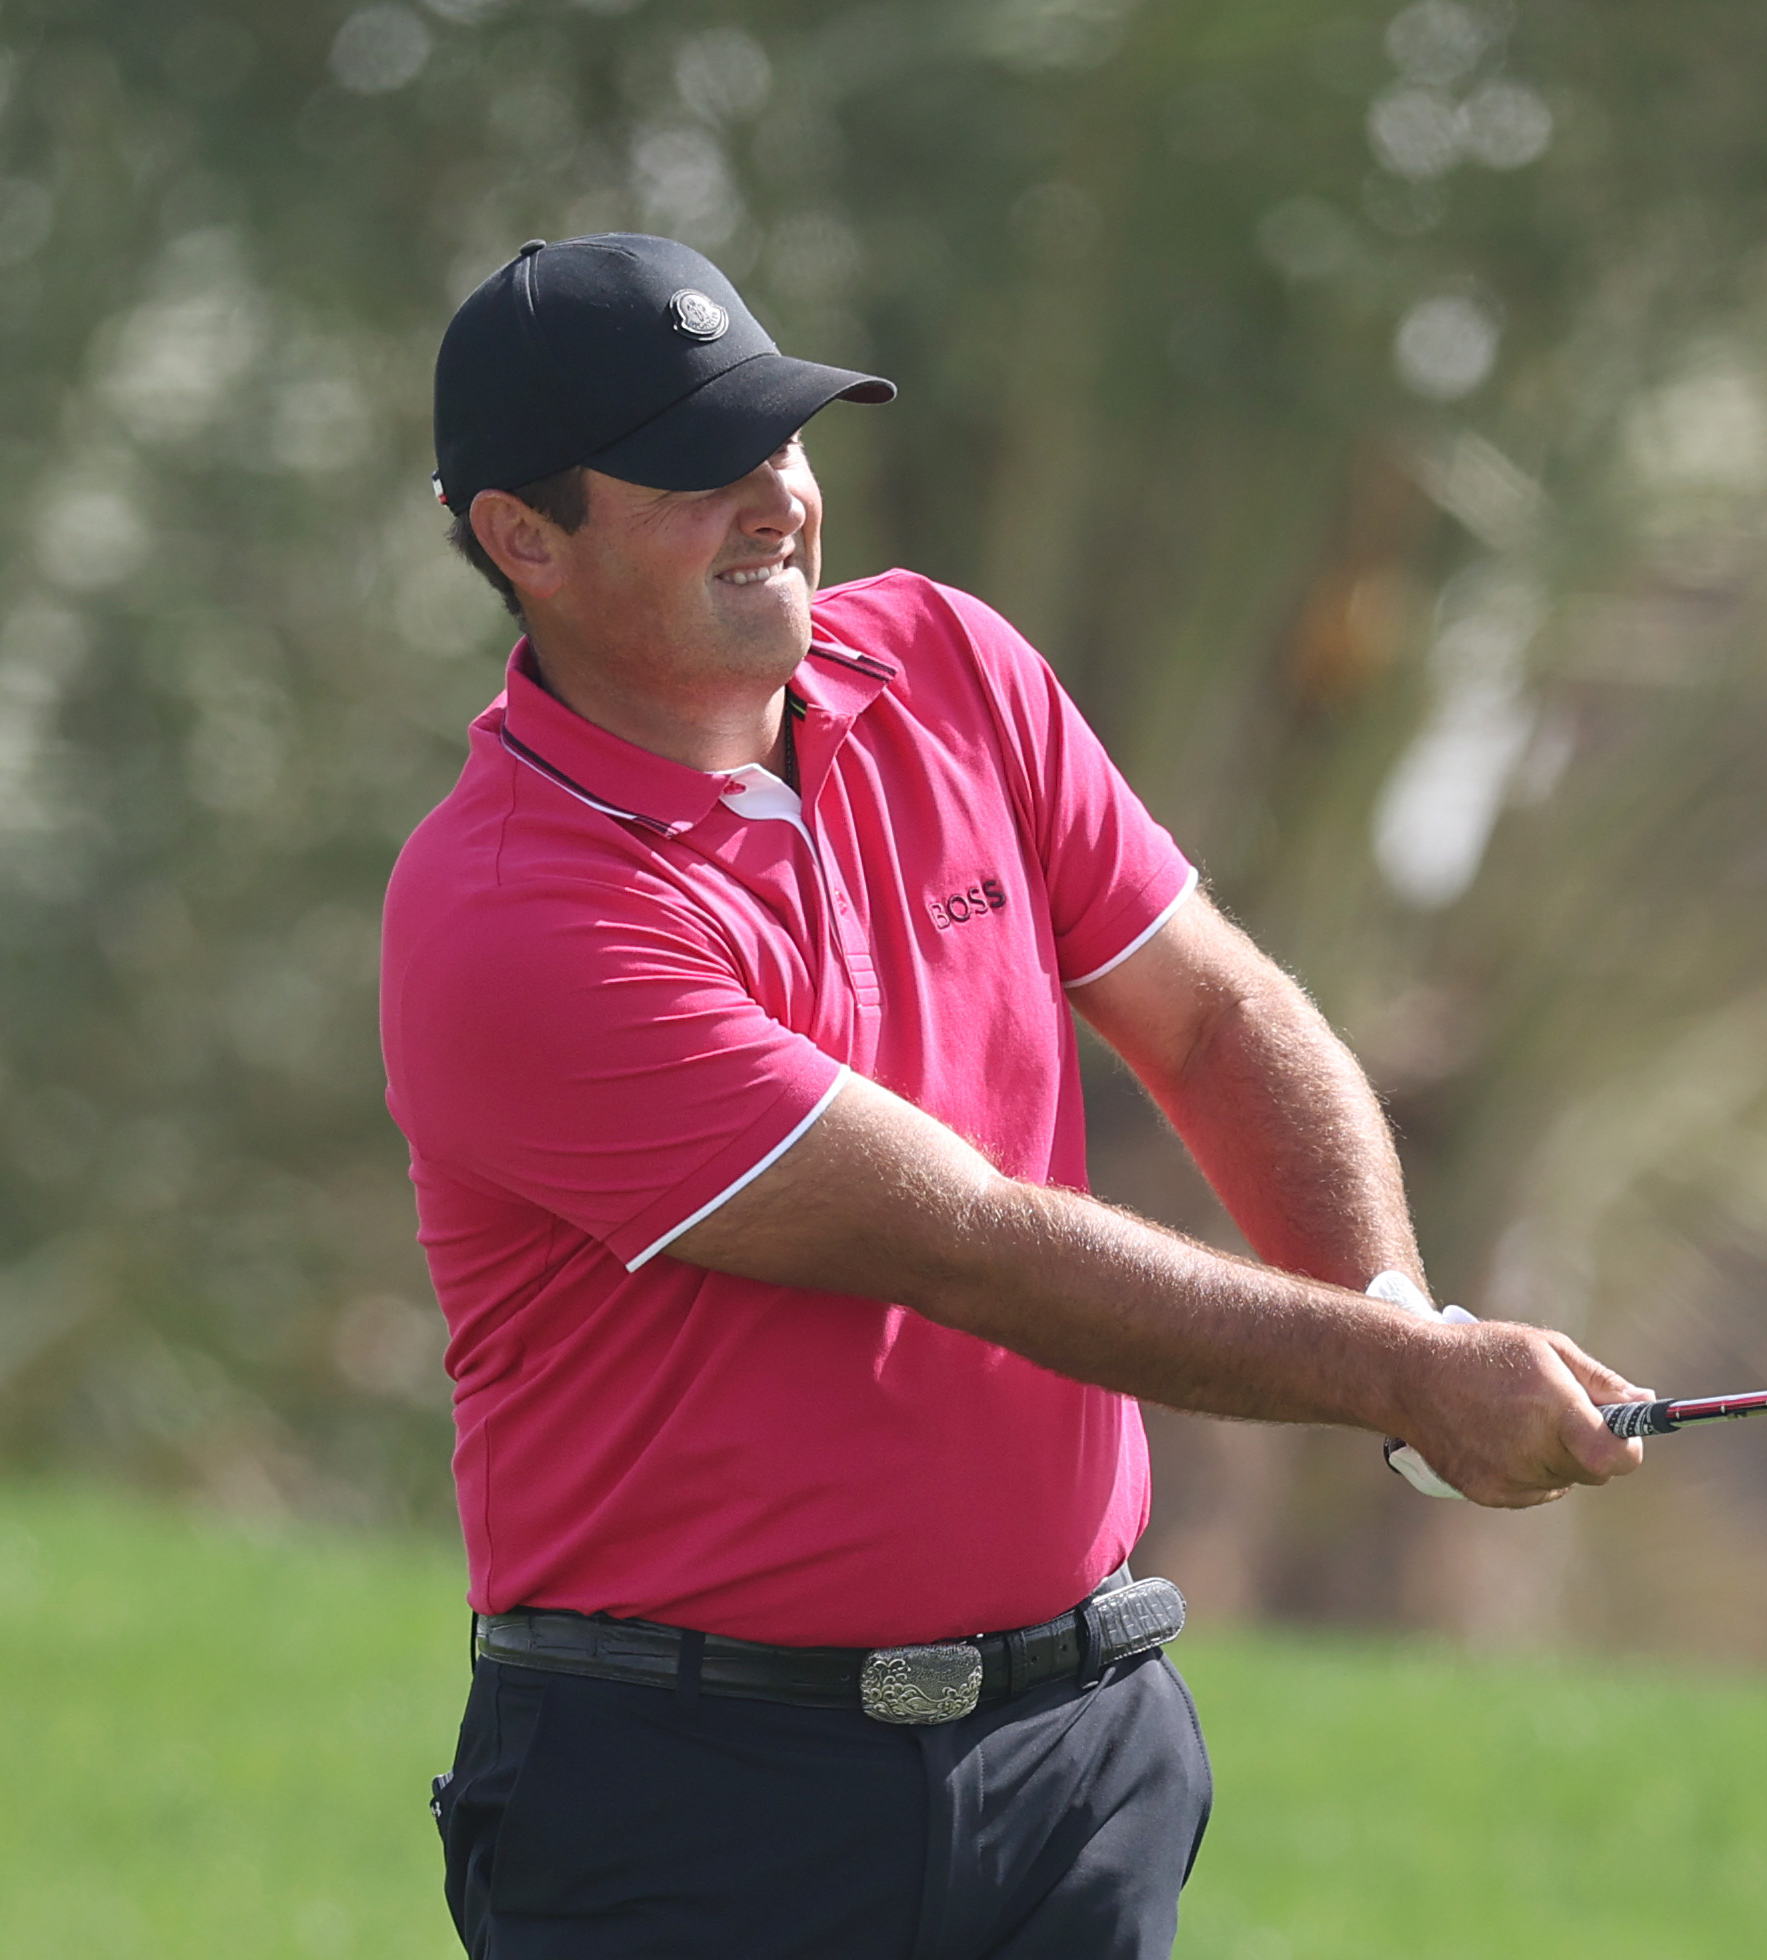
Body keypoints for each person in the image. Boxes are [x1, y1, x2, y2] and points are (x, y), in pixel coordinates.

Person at [379, 232, 1648, 1960]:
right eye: (696, 470)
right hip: (696, 1800)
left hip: (1075, 1758)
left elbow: (1206, 1018)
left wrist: (1391, 1322)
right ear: (523, 538)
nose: (774, 498)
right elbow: (961, 1242)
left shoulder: (951, 672)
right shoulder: (517, 912)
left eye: (782, 440)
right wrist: (1407, 1378)